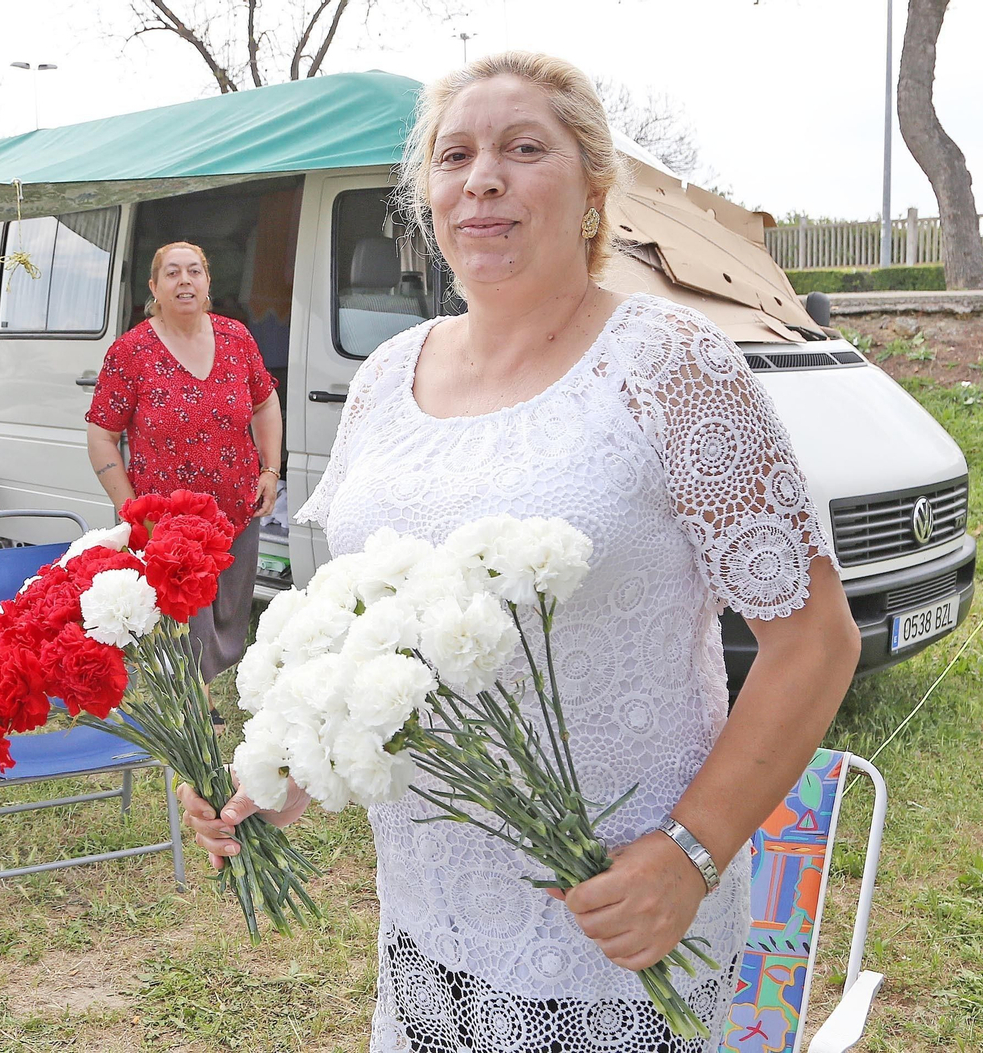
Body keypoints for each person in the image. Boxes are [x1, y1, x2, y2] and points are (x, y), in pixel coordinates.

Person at [178, 52, 860, 1052]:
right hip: (430, 912)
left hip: (623, 923)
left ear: (592, 191)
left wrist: (687, 855)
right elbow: (370, 633)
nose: (482, 178)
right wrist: (289, 770)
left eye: (522, 149)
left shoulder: (671, 366)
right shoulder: (384, 379)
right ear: (427, 198)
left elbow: (814, 643)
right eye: (455, 156)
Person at [86, 241, 282, 720]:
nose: (185, 281)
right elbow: (102, 436)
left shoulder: (236, 338)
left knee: (229, 615)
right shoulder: (130, 352)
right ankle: (198, 705)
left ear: (208, 282)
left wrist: (271, 469)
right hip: (170, 526)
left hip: (236, 510)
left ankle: (203, 685)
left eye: (194, 271)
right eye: (172, 273)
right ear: (154, 287)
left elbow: (264, 403)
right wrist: (132, 511)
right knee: (186, 619)